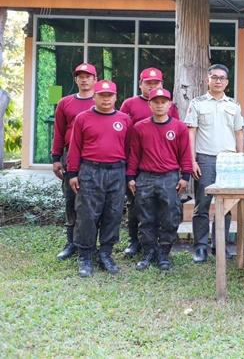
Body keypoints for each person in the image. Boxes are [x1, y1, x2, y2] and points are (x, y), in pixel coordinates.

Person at [67, 80, 132, 277]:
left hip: (116, 172)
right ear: (94, 97)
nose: (106, 99)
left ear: (115, 97)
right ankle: (85, 256)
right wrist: (72, 173)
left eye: (109, 95)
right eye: (102, 95)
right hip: (90, 171)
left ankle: (105, 254)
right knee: (87, 214)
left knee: (113, 213)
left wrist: (129, 174)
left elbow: (128, 149)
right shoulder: (82, 118)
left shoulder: (124, 119)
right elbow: (74, 147)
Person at [184, 64, 244, 263]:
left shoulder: (234, 105)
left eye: (222, 78)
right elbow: (191, 133)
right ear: (207, 80)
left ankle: (219, 245)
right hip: (205, 159)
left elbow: (239, 133)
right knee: (202, 204)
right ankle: (200, 247)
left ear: (227, 82)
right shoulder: (197, 103)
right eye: (214, 77)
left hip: (228, 162)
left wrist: (240, 160)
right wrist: (192, 160)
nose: (218, 81)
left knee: (225, 206)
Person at [127, 88, 192, 270]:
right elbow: (134, 154)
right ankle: (149, 251)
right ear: (150, 104)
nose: (160, 105)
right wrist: (130, 176)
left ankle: (164, 252)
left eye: (164, 102)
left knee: (170, 217)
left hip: (169, 177)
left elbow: (185, 153)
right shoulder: (140, 127)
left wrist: (186, 175)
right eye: (156, 102)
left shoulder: (179, 127)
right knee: (145, 217)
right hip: (145, 177)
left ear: (170, 104)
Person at [120, 67, 180, 257]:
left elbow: (175, 134)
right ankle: (135, 242)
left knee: (164, 208)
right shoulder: (129, 104)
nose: (152, 86)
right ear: (141, 84)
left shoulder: (171, 106)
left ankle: (160, 247)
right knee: (136, 206)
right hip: (135, 162)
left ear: (162, 84)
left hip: (163, 167)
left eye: (156, 83)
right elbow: (121, 130)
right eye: (148, 83)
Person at [52, 62, 98, 261]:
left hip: (94, 157)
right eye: (81, 76)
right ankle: (71, 242)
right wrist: (56, 157)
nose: (84, 80)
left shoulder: (102, 101)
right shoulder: (65, 103)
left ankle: (91, 243)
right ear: (76, 80)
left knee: (94, 202)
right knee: (71, 199)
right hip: (71, 155)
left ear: (95, 80)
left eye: (88, 76)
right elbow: (59, 132)